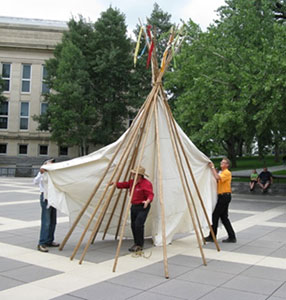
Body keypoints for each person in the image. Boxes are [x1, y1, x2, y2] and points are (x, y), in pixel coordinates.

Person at [114, 166, 154, 252]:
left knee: (138, 225)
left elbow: (150, 194)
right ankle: (136, 243)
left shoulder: (146, 183)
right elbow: (125, 184)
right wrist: (115, 184)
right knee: (133, 225)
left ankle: (139, 244)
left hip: (143, 206)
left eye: (134, 173)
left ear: (139, 175)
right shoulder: (132, 182)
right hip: (134, 206)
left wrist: (147, 201)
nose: (132, 174)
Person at [204, 157, 237, 243]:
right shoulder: (222, 172)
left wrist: (212, 167)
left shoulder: (227, 173)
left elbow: (218, 177)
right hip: (224, 196)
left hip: (224, 197)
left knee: (215, 216)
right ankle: (232, 237)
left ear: (227, 165)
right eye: (221, 162)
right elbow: (216, 176)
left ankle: (212, 236)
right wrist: (212, 167)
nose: (221, 164)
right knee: (224, 218)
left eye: (223, 163)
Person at [34, 158, 59, 252]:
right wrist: (41, 173)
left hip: (53, 198)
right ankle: (42, 242)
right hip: (45, 198)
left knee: (53, 221)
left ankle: (49, 240)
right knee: (46, 221)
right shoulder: (42, 174)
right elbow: (35, 182)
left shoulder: (54, 174)